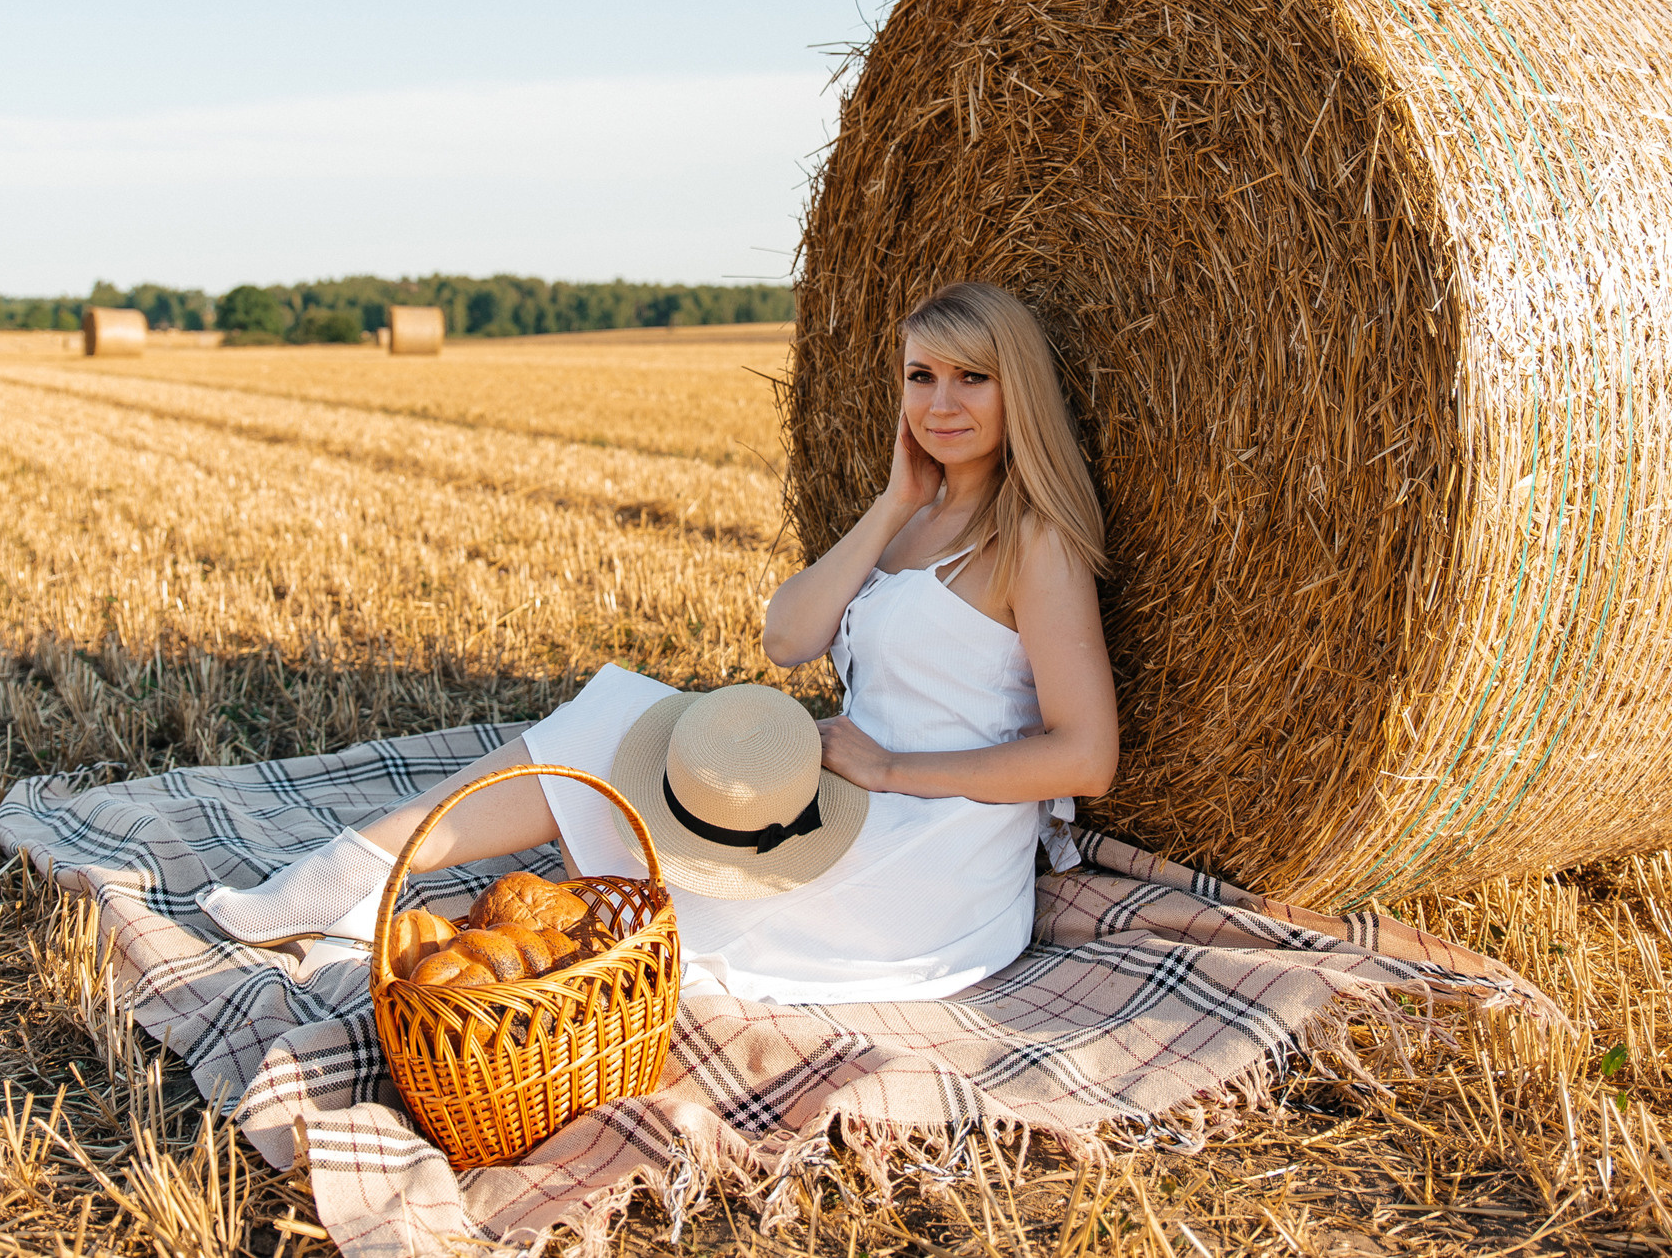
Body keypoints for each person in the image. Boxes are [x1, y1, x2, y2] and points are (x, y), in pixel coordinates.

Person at [202, 281, 1119, 1004]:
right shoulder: (912, 521)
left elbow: (1086, 757)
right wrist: (892, 502)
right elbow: (786, 637)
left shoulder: (1033, 541)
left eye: (971, 377)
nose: (941, 402)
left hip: (927, 853)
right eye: (921, 376)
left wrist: (888, 770)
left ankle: (367, 885)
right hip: (852, 800)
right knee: (629, 721)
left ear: (1017, 390)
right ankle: (367, 876)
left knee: (625, 739)